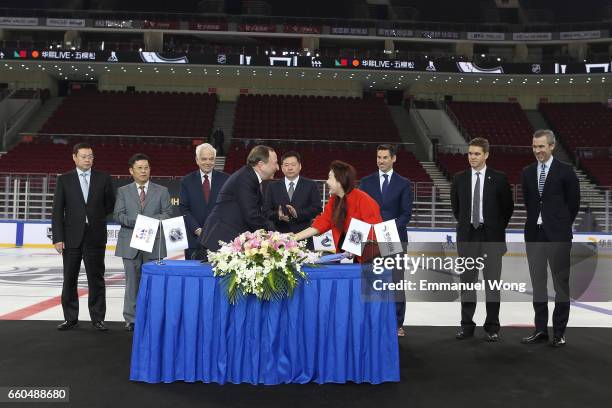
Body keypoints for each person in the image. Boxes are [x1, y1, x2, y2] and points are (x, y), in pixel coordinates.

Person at [450, 138, 514, 342]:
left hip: (491, 238)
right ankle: (466, 326)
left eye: (477, 154)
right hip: (468, 237)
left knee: (492, 284)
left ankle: (492, 327)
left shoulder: (500, 178)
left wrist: (494, 227)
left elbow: (507, 209)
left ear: (486, 155)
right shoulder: (459, 178)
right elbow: (457, 209)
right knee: (467, 284)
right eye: (470, 153)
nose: (472, 157)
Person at [521, 129, 580, 347]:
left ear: (552, 146)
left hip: (558, 236)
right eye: (535, 147)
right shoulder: (527, 172)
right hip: (534, 235)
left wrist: (559, 224)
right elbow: (530, 202)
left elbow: (573, 204)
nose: (537, 151)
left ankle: (559, 332)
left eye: (541, 147)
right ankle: (540, 330)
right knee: (538, 285)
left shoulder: (565, 171)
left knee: (560, 285)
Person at [51, 143, 115, 331]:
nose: (88, 159)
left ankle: (98, 318)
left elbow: (110, 204)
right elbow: (57, 212)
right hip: (71, 238)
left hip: (95, 236)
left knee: (96, 278)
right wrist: (57, 237)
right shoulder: (64, 179)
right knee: (69, 278)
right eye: (84, 156)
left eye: (91, 156)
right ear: (74, 157)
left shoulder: (103, 178)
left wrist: (94, 216)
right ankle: (71, 318)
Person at [114, 153, 172, 331]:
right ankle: (131, 318)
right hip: (130, 243)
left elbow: (168, 214)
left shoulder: (162, 191)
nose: (144, 171)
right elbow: (118, 215)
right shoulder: (123, 191)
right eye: (139, 168)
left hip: (154, 243)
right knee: (132, 283)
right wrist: (137, 222)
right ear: (131, 171)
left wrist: (148, 221)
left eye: (146, 167)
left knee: (154, 283)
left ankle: (153, 316)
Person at [360, 144, 413, 336]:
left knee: (396, 282)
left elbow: (406, 214)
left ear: (394, 159)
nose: (380, 161)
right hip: (371, 242)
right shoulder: (365, 182)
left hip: (394, 239)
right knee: (372, 281)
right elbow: (360, 213)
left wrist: (387, 231)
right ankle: (371, 320)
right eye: (378, 157)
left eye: (384, 157)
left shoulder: (404, 183)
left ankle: (398, 323)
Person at [293, 160, 382, 261]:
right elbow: (322, 222)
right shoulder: (334, 200)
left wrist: (356, 248)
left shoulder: (364, 200)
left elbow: (375, 231)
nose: (327, 182)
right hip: (348, 256)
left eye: (330, 178)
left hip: (371, 259)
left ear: (340, 180)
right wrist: (295, 237)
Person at [201, 145, 278, 252]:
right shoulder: (245, 178)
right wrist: (275, 234)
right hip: (219, 240)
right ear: (261, 165)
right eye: (275, 163)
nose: (277, 167)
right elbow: (252, 215)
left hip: (227, 239)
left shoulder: (249, 177)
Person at [179, 143, 229, 260]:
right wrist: (197, 229)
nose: (208, 162)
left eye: (211, 159)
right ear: (197, 160)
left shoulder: (226, 180)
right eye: (204, 159)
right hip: (194, 240)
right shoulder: (186, 181)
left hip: (219, 239)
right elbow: (183, 208)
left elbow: (228, 208)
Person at [263, 151, 322, 249]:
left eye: (293, 165)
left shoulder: (311, 185)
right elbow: (266, 211)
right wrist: (278, 215)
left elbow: (317, 209)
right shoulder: (272, 186)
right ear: (281, 167)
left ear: (300, 166)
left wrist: (297, 214)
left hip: (304, 238)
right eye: (286, 165)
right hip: (279, 238)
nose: (290, 168)